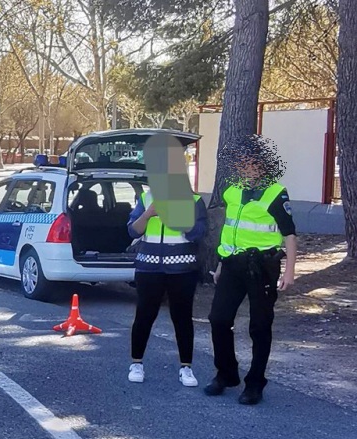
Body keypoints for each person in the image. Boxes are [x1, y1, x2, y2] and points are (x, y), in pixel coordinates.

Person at [205, 134, 297, 405]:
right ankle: (226, 374)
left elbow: (290, 235)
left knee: (259, 326)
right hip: (232, 266)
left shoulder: (275, 194)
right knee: (219, 319)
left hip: (262, 268)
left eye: (251, 162)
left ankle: (255, 384)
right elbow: (230, 232)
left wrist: (290, 272)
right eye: (242, 162)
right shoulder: (232, 192)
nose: (246, 167)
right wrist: (221, 264)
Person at [125, 186, 208, 386]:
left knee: (182, 318)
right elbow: (132, 230)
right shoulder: (146, 198)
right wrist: (147, 214)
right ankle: (136, 363)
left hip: (182, 268)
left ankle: (186, 367)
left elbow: (199, 232)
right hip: (149, 267)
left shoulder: (194, 200)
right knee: (144, 315)